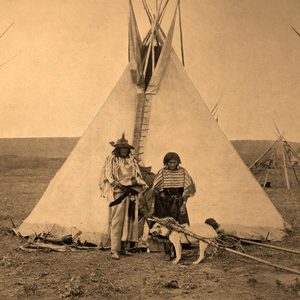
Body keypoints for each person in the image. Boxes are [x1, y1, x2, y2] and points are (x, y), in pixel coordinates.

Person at [99, 133, 147, 260]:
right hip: (118, 193)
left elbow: (136, 175)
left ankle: (124, 247)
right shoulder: (112, 159)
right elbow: (108, 176)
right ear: (118, 149)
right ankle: (114, 249)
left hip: (131, 192)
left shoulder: (131, 160)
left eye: (126, 148)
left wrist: (136, 184)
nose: (124, 150)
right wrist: (120, 185)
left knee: (130, 219)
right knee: (117, 220)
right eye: (122, 148)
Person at [152, 152, 196, 225]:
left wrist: (183, 205)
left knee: (181, 226)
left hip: (178, 203)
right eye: (170, 162)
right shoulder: (162, 172)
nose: (172, 164)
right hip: (163, 204)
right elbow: (155, 188)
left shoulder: (183, 172)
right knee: (162, 227)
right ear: (166, 162)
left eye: (174, 162)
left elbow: (188, 190)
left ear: (178, 162)